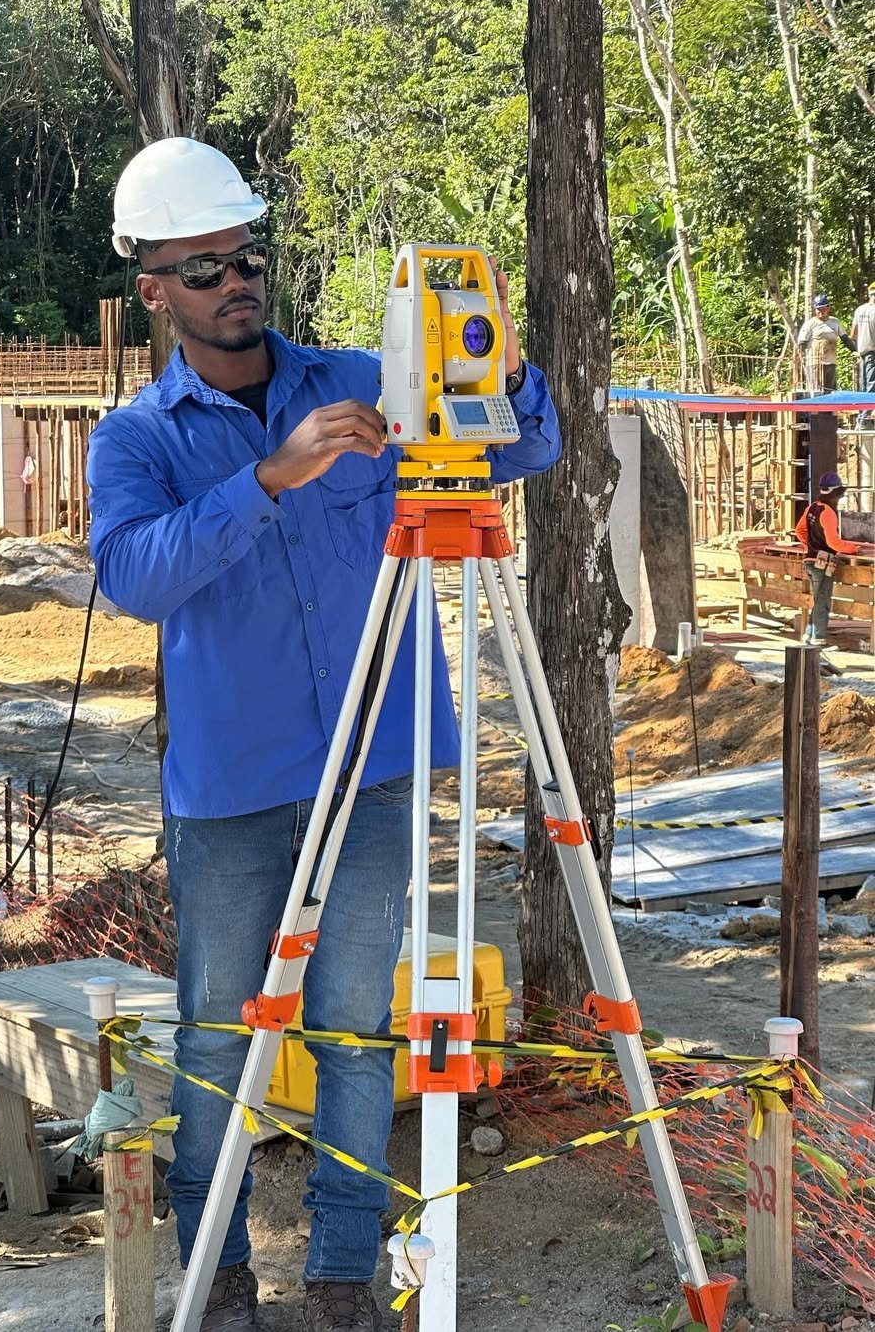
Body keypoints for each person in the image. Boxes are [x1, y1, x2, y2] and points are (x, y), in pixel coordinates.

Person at [86, 138, 561, 1332]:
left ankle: (344, 1280)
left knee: (355, 1034)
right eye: (203, 270)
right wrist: (272, 479)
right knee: (215, 1040)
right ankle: (221, 1280)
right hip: (235, 790)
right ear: (154, 290)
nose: (235, 281)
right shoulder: (137, 437)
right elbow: (136, 579)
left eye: (246, 257)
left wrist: (483, 354)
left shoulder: (361, 382)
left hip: (376, 772)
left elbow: (527, 447)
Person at [795, 471, 859, 644]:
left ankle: (809, 634)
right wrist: (852, 549)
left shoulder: (812, 508)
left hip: (810, 560)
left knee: (817, 600)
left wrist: (810, 545)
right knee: (822, 601)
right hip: (821, 564)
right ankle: (818, 638)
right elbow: (833, 542)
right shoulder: (828, 513)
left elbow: (799, 530)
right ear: (835, 493)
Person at [796, 293, 853, 393]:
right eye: (819, 309)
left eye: (824, 309)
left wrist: (855, 350)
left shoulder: (835, 322)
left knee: (830, 390)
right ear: (815, 310)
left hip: (830, 362)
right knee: (816, 391)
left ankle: (829, 409)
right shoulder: (810, 324)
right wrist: (801, 358)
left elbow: (845, 339)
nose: (821, 312)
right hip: (814, 363)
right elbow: (802, 343)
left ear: (828, 308)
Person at [850, 280, 875, 428]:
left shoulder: (860, 310)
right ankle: (865, 419)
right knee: (872, 385)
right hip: (872, 351)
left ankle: (861, 417)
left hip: (861, 352)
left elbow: (853, 334)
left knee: (863, 385)